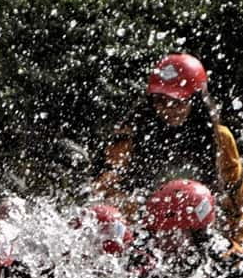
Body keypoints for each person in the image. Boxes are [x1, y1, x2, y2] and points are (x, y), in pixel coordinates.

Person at [92, 53, 243, 246]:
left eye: (178, 102)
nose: (169, 108)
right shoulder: (130, 135)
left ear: (196, 100)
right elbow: (105, 188)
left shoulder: (219, 138)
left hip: (199, 230)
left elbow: (236, 199)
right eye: (160, 101)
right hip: (146, 228)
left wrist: (235, 243)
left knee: (196, 197)